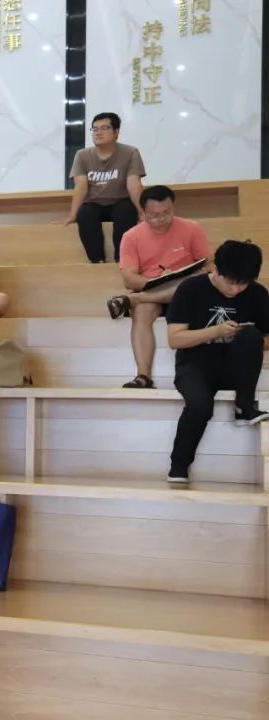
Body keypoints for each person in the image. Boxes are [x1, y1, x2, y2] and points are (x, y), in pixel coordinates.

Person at [165, 240, 269, 484]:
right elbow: (175, 339)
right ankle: (178, 467)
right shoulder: (191, 288)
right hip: (194, 365)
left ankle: (244, 407)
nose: (235, 289)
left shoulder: (257, 293)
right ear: (216, 269)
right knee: (200, 404)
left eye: (243, 284)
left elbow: (266, 338)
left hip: (235, 367)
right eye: (230, 282)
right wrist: (216, 331)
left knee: (251, 335)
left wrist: (244, 337)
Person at [106, 185, 211, 389]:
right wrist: (157, 280)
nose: (161, 218)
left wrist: (181, 276)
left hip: (186, 293)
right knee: (141, 311)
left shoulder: (192, 228)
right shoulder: (131, 236)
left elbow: (209, 266)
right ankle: (143, 376)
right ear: (143, 212)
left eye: (167, 212)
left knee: (188, 284)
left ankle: (134, 298)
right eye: (154, 215)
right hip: (152, 289)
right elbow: (129, 279)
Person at [60, 112, 146, 263]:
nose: (98, 132)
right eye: (95, 129)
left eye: (104, 128)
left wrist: (142, 212)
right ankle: (97, 261)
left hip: (120, 201)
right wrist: (73, 215)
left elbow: (133, 184)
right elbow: (80, 186)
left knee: (127, 211)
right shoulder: (82, 155)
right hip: (94, 204)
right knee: (84, 213)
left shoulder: (130, 152)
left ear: (116, 132)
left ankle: (122, 260)